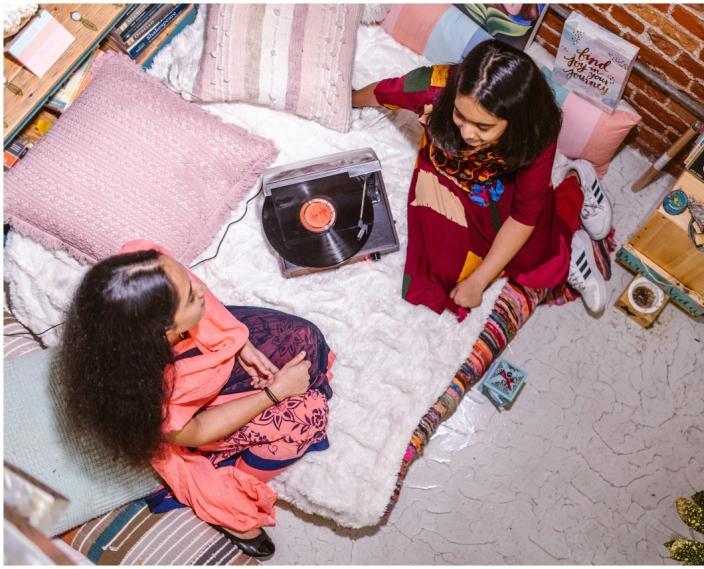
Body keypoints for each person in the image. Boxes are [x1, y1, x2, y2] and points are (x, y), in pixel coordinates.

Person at [58, 240, 334, 558]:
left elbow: (179, 275)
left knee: (302, 340)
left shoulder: (137, 274)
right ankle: (234, 481)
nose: (200, 290)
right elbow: (199, 428)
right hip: (197, 420)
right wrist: (275, 393)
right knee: (309, 412)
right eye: (191, 297)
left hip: (205, 362)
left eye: (189, 283)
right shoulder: (150, 397)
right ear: (164, 333)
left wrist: (239, 343)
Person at [353, 40, 612, 317]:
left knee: (538, 265)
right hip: (447, 179)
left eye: (483, 126)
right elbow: (384, 92)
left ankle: (576, 188)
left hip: (505, 190)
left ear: (516, 123)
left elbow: (525, 216)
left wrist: (480, 281)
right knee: (440, 271)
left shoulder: (536, 133)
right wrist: (352, 99)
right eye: (460, 116)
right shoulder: (434, 88)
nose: (466, 133)